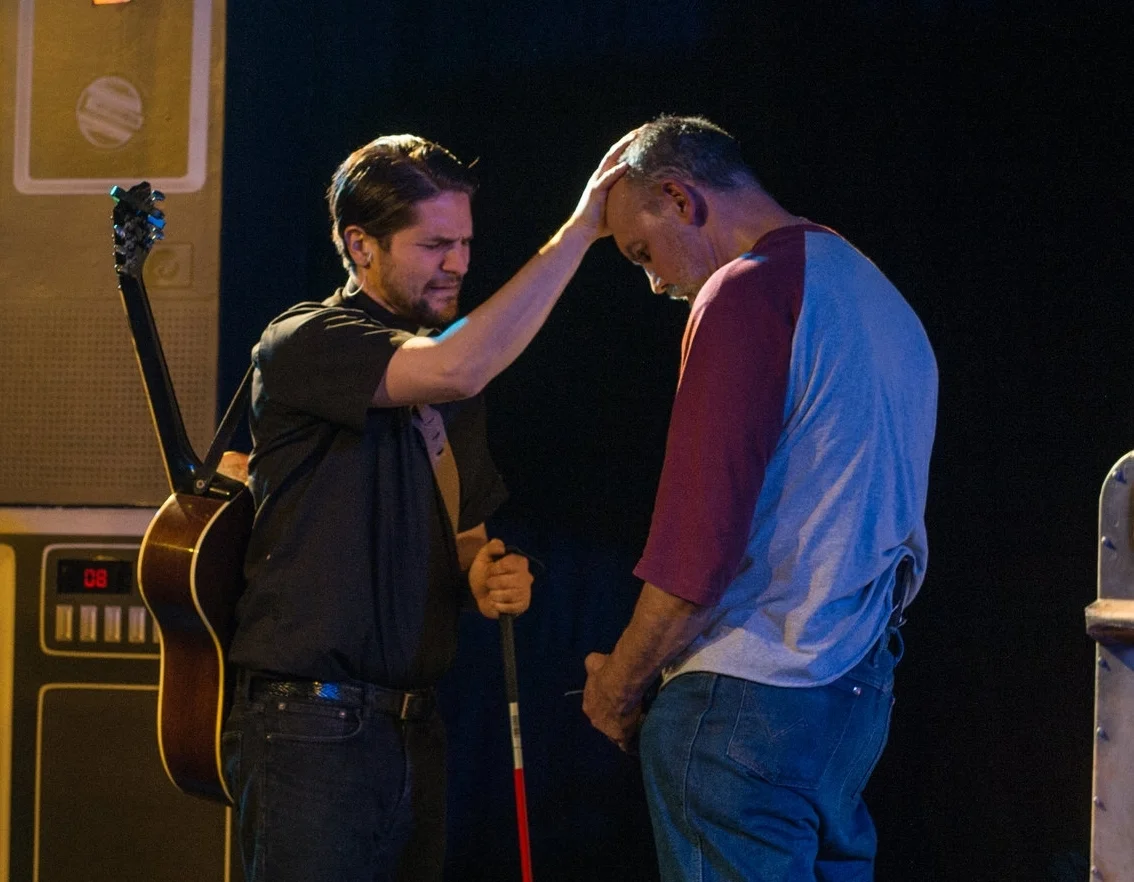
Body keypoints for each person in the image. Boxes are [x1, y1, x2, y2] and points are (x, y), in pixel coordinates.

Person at [221, 131, 631, 882]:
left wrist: (488, 577)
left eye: (466, 242)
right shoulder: (305, 339)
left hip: (413, 725)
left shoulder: (449, 378)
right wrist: (580, 232)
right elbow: (458, 366)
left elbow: (466, 537)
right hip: (310, 725)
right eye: (436, 244)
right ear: (361, 244)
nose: (459, 263)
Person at [582, 115, 938, 881]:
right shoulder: (877, 296)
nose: (654, 283)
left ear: (680, 198)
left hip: (747, 698)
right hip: (853, 697)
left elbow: (696, 550)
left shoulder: (746, 290)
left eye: (642, 253)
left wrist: (619, 683)